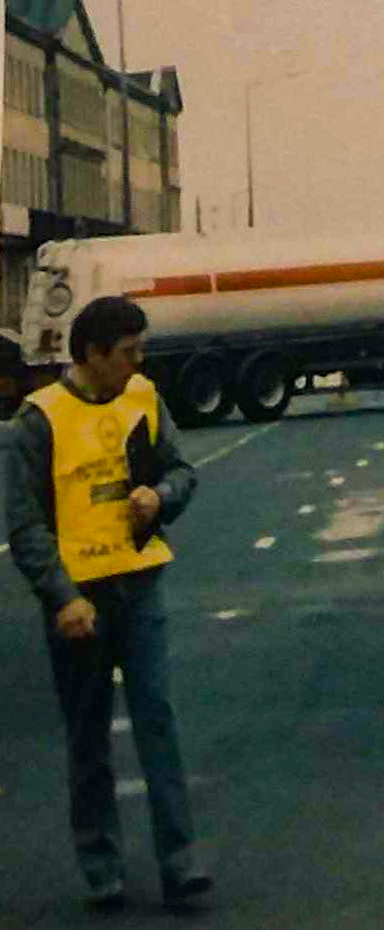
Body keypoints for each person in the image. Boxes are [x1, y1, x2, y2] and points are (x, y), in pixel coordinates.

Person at [4, 296, 211, 909]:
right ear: (92, 353)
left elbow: (182, 470)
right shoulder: (38, 420)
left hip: (140, 583)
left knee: (157, 719)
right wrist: (61, 596)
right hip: (79, 602)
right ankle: (102, 866)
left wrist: (161, 496)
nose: (138, 362)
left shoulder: (144, 399)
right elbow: (25, 525)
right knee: (88, 736)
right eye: (128, 352)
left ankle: (181, 859)